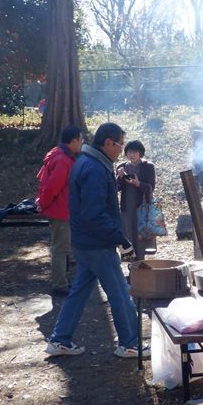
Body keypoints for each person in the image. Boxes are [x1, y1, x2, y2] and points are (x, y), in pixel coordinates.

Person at [45, 122, 149, 359]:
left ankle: (60, 339)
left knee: (80, 291)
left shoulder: (90, 162)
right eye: (120, 144)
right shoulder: (93, 168)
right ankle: (130, 343)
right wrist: (119, 239)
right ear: (108, 143)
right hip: (97, 244)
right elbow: (95, 213)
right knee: (120, 292)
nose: (121, 150)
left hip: (84, 241)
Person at [36, 125, 83, 296]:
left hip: (61, 209)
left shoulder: (58, 153)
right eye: (80, 140)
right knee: (61, 248)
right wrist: (43, 203)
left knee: (62, 247)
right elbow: (52, 187)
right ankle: (60, 284)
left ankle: (63, 280)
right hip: (60, 211)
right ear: (73, 141)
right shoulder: (63, 160)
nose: (82, 143)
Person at [116, 140, 156, 260]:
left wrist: (138, 183)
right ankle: (131, 265)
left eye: (135, 152)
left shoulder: (148, 166)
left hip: (143, 207)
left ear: (140, 153)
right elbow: (117, 187)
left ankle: (143, 262)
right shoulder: (122, 167)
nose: (132, 154)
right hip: (127, 208)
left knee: (142, 236)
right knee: (128, 234)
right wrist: (119, 177)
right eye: (129, 152)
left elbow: (150, 188)